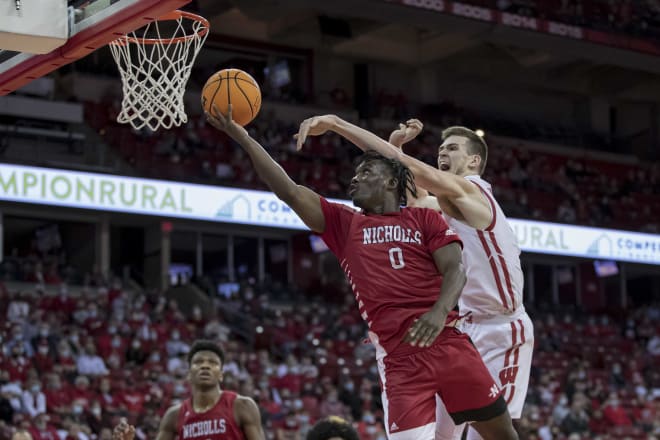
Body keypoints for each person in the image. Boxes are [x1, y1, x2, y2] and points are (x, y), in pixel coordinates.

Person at [205, 105, 518, 440]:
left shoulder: (424, 218)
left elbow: (455, 268)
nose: (355, 179)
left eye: (366, 172)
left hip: (449, 346)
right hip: (401, 363)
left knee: (503, 435)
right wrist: (244, 138)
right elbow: (290, 191)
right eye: (355, 174)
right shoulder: (345, 224)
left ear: (390, 182)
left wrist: (439, 312)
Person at [295, 115, 534, 440]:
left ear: (474, 160)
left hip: (501, 328)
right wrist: (395, 145)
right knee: (439, 435)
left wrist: (338, 125)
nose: (442, 154)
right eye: (440, 149)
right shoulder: (442, 204)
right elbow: (413, 194)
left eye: (452, 148)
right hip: (459, 328)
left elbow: (407, 168)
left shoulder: (473, 191)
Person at [111, 339, 264, 440]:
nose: (205, 366)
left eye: (212, 363)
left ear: (221, 375)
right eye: (198, 362)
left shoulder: (242, 406)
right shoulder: (174, 415)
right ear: (189, 374)